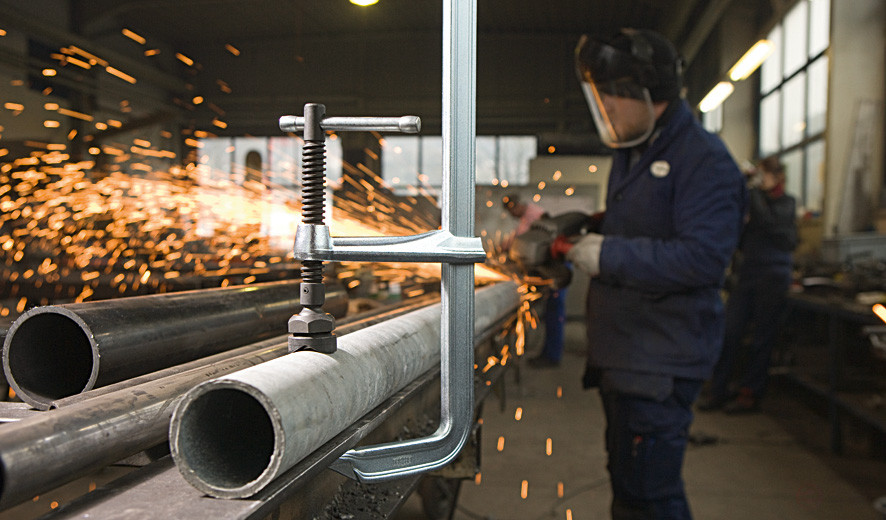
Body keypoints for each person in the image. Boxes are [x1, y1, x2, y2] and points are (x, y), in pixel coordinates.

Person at [563, 29, 746, 519]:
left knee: (651, 495)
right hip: (629, 355)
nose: (605, 111)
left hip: (660, 359)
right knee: (630, 488)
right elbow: (651, 223)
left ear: (644, 93)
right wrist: (592, 227)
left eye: (611, 99)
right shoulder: (636, 148)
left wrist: (609, 255)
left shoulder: (703, 160)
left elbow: (702, 258)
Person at [699, 157, 797, 413]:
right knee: (729, 333)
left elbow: (769, 223)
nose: (760, 180)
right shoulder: (752, 202)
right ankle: (718, 390)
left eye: (764, 175)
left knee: (762, 338)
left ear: (777, 176)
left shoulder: (786, 204)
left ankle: (749, 394)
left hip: (773, 276)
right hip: (748, 273)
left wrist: (752, 192)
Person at [502, 194, 567, 368]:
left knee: (554, 313)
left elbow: (522, 240)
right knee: (552, 313)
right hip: (551, 268)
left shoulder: (536, 215)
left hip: (555, 269)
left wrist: (507, 249)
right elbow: (516, 237)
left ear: (517, 205)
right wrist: (505, 246)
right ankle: (549, 353)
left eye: (512, 211)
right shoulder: (527, 217)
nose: (512, 215)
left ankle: (552, 356)